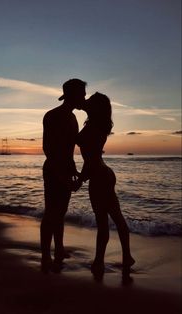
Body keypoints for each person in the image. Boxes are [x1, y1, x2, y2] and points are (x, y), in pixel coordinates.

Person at [75, 92, 135, 276]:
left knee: (104, 221)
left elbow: (90, 159)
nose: (87, 103)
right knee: (116, 217)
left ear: (96, 107)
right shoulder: (96, 125)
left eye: (91, 101)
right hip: (103, 174)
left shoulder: (94, 128)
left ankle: (99, 261)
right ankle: (126, 257)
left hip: (99, 176)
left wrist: (79, 180)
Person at [40, 78, 87, 272]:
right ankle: (45, 255)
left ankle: (58, 249)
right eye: (82, 94)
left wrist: (74, 171)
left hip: (67, 168)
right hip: (53, 169)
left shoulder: (72, 117)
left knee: (60, 212)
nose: (84, 97)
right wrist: (61, 174)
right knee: (51, 212)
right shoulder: (52, 116)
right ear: (73, 95)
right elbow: (49, 149)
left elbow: (70, 149)